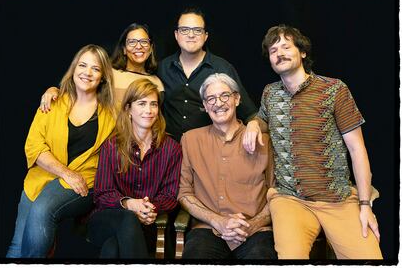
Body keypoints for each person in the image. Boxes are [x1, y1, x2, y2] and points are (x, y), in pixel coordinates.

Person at [243, 24, 382, 259]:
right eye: (273, 51)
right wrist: (254, 123)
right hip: (290, 199)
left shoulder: (334, 90)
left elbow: (357, 149)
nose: (279, 53)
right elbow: (263, 118)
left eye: (286, 46)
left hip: (336, 199)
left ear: (303, 52)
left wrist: (365, 205)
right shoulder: (270, 93)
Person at [6, 44, 116, 258]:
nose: (87, 72)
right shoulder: (52, 102)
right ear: (74, 69)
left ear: (103, 77)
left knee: (42, 209)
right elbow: (34, 146)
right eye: (83, 65)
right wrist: (65, 173)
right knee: (17, 247)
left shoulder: (111, 115)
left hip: (83, 182)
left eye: (95, 68)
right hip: (42, 178)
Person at [178, 73, 277, 259]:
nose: (218, 103)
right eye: (211, 99)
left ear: (237, 99)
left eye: (225, 96)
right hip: (207, 230)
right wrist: (218, 221)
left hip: (256, 232)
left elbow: (276, 192)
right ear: (205, 106)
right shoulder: (190, 140)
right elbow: (184, 193)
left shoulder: (264, 141)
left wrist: (252, 225)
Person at [87, 79, 182, 258]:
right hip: (106, 219)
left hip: (148, 223)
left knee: (112, 249)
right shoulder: (112, 146)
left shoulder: (172, 149)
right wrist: (130, 204)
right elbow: (102, 194)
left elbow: (170, 195)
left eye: (153, 104)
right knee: (128, 217)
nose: (149, 110)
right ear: (128, 109)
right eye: (142, 104)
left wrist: (148, 208)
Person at [157, 7, 257, 142]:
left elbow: (249, 112)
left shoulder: (223, 68)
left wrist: (254, 124)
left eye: (197, 30)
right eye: (184, 30)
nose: (191, 35)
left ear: (205, 36)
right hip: (170, 151)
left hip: (210, 150)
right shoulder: (162, 68)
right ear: (176, 35)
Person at [39, 23, 164, 111]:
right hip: (106, 143)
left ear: (151, 48)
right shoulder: (108, 73)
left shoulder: (157, 82)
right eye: (132, 42)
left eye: (144, 42)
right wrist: (53, 90)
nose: (138, 46)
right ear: (124, 49)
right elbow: (76, 89)